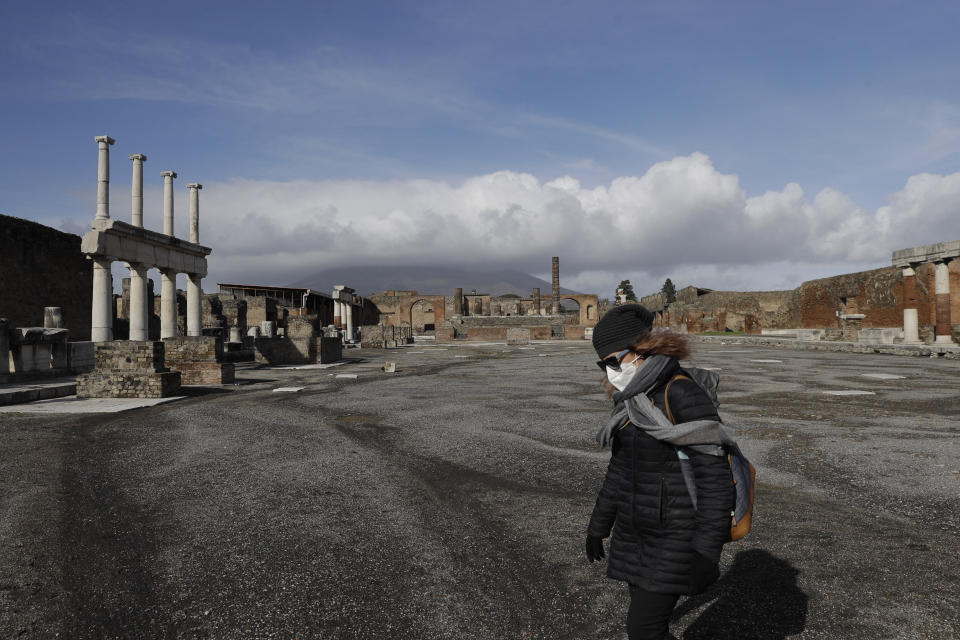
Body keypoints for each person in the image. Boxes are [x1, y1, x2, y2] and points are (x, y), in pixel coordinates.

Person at [585, 304, 735, 640]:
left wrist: (706, 550)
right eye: (603, 364)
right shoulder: (630, 400)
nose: (610, 372)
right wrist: (599, 526)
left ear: (641, 350)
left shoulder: (680, 392)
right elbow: (619, 469)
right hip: (634, 533)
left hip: (676, 535)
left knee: (644, 630)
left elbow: (715, 482)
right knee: (648, 627)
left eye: (614, 361)